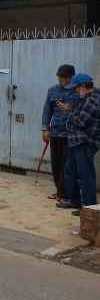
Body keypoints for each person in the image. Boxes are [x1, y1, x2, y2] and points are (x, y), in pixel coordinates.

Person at [58, 74, 99, 216]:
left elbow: (80, 121)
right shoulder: (84, 99)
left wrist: (69, 113)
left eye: (76, 88)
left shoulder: (93, 101)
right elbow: (76, 116)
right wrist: (71, 112)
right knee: (70, 171)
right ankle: (75, 201)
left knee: (85, 176)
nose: (75, 91)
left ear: (83, 87)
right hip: (76, 140)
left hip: (85, 143)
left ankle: (89, 208)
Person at [41, 64, 79, 202]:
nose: (62, 79)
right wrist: (45, 129)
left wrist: (70, 108)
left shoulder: (77, 91)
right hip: (55, 133)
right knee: (56, 165)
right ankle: (59, 192)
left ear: (71, 77)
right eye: (60, 76)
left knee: (67, 166)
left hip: (71, 135)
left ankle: (67, 194)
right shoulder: (52, 91)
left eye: (65, 77)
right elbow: (47, 111)